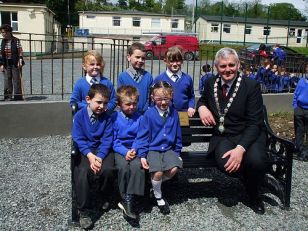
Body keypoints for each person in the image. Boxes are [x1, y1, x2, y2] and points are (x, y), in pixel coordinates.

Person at [197, 47, 268, 214]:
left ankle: (253, 194)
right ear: (216, 67)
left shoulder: (251, 86)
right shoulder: (210, 83)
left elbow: (254, 123)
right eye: (223, 66)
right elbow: (203, 99)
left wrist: (240, 149)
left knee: (256, 161)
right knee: (225, 164)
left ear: (238, 65)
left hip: (249, 135)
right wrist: (201, 108)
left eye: (231, 65)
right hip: (225, 136)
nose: (227, 69)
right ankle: (250, 178)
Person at [136, 81, 183, 215]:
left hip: (168, 149)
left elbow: (178, 134)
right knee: (158, 172)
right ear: (152, 98)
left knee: (173, 169)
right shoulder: (149, 114)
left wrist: (177, 152)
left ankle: (153, 186)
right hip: (153, 149)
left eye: (166, 99)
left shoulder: (174, 113)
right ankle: (158, 196)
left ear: (171, 96)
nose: (163, 103)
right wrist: (143, 155)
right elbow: (142, 137)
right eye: (159, 99)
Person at [72, 84, 114, 229]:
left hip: (102, 151)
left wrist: (100, 157)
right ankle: (83, 211)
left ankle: (103, 195)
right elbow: (78, 138)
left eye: (105, 103)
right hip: (86, 151)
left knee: (108, 170)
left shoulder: (107, 118)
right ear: (88, 99)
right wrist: (90, 156)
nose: (102, 106)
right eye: (99, 102)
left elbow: (107, 139)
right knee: (82, 172)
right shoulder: (79, 116)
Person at [112, 85, 145, 220]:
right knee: (123, 167)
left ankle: (130, 199)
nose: (131, 107)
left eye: (134, 104)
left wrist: (134, 149)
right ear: (119, 104)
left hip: (134, 148)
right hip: (120, 150)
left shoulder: (140, 118)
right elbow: (113, 140)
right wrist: (125, 152)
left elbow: (141, 136)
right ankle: (125, 197)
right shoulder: (114, 118)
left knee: (138, 167)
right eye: (128, 104)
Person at [70, 50, 116, 114]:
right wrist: (90, 108)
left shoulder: (107, 83)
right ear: (84, 66)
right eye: (92, 64)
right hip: (85, 116)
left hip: (104, 116)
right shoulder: (80, 83)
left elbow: (113, 100)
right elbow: (74, 101)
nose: (95, 67)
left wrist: (105, 108)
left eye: (98, 64)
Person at [154, 46, 195, 117]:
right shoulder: (159, 79)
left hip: (183, 116)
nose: (175, 64)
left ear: (182, 61)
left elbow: (191, 96)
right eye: (171, 61)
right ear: (165, 61)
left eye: (178, 61)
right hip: (165, 116)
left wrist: (191, 107)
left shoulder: (187, 79)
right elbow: (154, 99)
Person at [117, 42, 153, 114]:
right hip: (128, 113)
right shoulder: (123, 77)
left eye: (143, 58)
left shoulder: (148, 76)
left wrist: (146, 110)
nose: (140, 60)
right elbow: (121, 97)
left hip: (144, 115)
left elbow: (150, 97)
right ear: (129, 57)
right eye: (137, 57)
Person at [0, 24, 25, 101]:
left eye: (3, 32)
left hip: (15, 62)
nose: (2, 34)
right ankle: (8, 96)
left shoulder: (16, 40)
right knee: (7, 80)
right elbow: (1, 53)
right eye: (1, 32)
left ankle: (18, 97)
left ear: (9, 32)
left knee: (16, 79)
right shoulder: (3, 41)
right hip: (6, 63)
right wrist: (1, 64)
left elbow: (20, 51)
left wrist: (20, 61)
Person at [292, 76, 308, 161]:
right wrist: (295, 107)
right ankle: (299, 149)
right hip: (299, 109)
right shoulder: (301, 81)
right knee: (299, 130)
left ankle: (306, 153)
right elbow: (296, 94)